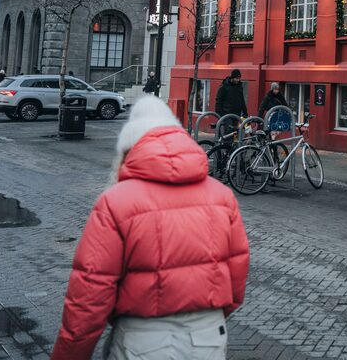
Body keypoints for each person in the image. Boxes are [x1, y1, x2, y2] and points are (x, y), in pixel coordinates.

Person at [50, 96, 248, 360]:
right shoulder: (222, 196)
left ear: (129, 150)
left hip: (142, 338)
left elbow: (90, 295)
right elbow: (237, 276)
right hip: (208, 337)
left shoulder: (116, 201)